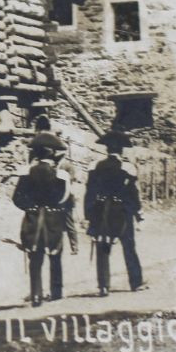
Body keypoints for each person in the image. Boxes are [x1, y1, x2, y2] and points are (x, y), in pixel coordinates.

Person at [12, 134, 76, 308]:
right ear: (52, 154)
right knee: (55, 257)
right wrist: (55, 207)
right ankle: (56, 292)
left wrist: (30, 207)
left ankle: (36, 295)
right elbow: (66, 199)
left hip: (33, 220)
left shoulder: (26, 173)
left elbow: (17, 198)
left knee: (35, 259)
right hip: (53, 219)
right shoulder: (61, 175)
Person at [85, 130, 146, 296]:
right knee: (128, 246)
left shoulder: (94, 166)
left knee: (102, 247)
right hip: (122, 211)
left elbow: (89, 193)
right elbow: (133, 194)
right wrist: (138, 214)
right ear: (121, 150)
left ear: (106, 149)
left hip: (101, 210)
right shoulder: (128, 168)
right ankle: (136, 282)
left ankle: (103, 285)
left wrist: (89, 215)